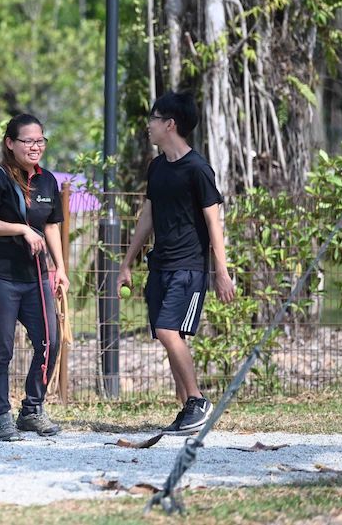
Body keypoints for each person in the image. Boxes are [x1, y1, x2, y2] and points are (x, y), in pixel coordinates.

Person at [117, 91, 234, 435]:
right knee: (170, 335)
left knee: (169, 331)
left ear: (170, 124)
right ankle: (188, 411)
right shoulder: (156, 167)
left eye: (153, 119)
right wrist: (127, 263)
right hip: (160, 265)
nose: (148, 126)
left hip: (190, 268)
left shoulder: (198, 169)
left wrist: (221, 272)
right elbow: (147, 216)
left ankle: (198, 402)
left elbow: (214, 223)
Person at [0, 113, 70, 441]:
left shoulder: (47, 182)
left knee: (50, 341)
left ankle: (32, 408)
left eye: (40, 140)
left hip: (38, 278)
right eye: (28, 141)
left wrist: (60, 268)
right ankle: (1, 417)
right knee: (1, 348)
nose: (35, 146)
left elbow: (52, 226)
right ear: (10, 143)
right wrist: (20, 229)